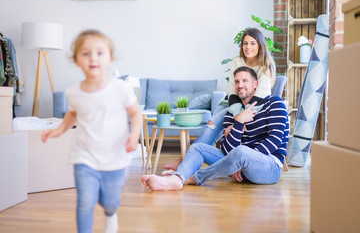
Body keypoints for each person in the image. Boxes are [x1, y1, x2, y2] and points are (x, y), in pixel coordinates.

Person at [41, 30, 142, 233]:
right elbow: (72, 114)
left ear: (110, 58)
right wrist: (59, 129)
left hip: (114, 157)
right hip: (84, 156)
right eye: (85, 53)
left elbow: (136, 113)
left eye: (99, 52)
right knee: (85, 201)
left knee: (110, 202)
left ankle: (111, 214)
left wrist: (134, 135)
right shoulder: (74, 91)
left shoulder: (121, 88)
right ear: (77, 60)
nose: (92, 58)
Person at [141, 66, 289, 190]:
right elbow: (226, 148)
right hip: (240, 168)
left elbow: (275, 140)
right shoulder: (234, 112)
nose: (240, 85)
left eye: (245, 81)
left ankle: (195, 178)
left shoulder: (274, 103)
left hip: (269, 166)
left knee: (242, 152)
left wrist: (241, 160)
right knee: (199, 147)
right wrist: (238, 122)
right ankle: (177, 179)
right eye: (237, 81)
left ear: (256, 84)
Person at [163, 28, 276, 171]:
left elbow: (260, 98)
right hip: (233, 102)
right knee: (212, 123)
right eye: (245, 43)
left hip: (254, 107)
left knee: (218, 125)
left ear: (260, 45)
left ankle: (185, 161)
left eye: (253, 43)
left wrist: (240, 119)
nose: (248, 47)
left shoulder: (266, 66)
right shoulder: (237, 61)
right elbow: (232, 91)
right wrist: (237, 116)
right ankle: (187, 160)